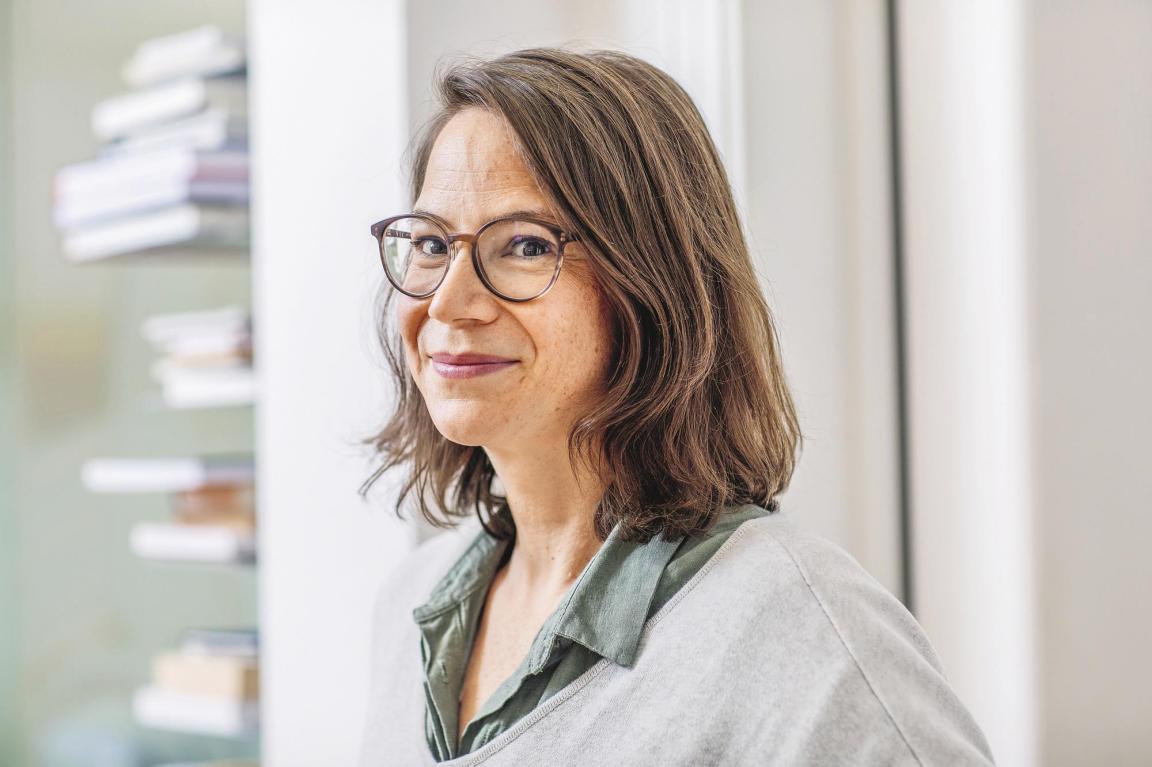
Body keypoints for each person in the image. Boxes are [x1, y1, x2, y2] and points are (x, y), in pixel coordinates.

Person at [357, 47, 996, 766]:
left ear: (649, 282)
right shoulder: (413, 604)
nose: (448, 301)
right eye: (432, 243)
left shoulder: (805, 634)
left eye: (525, 246)